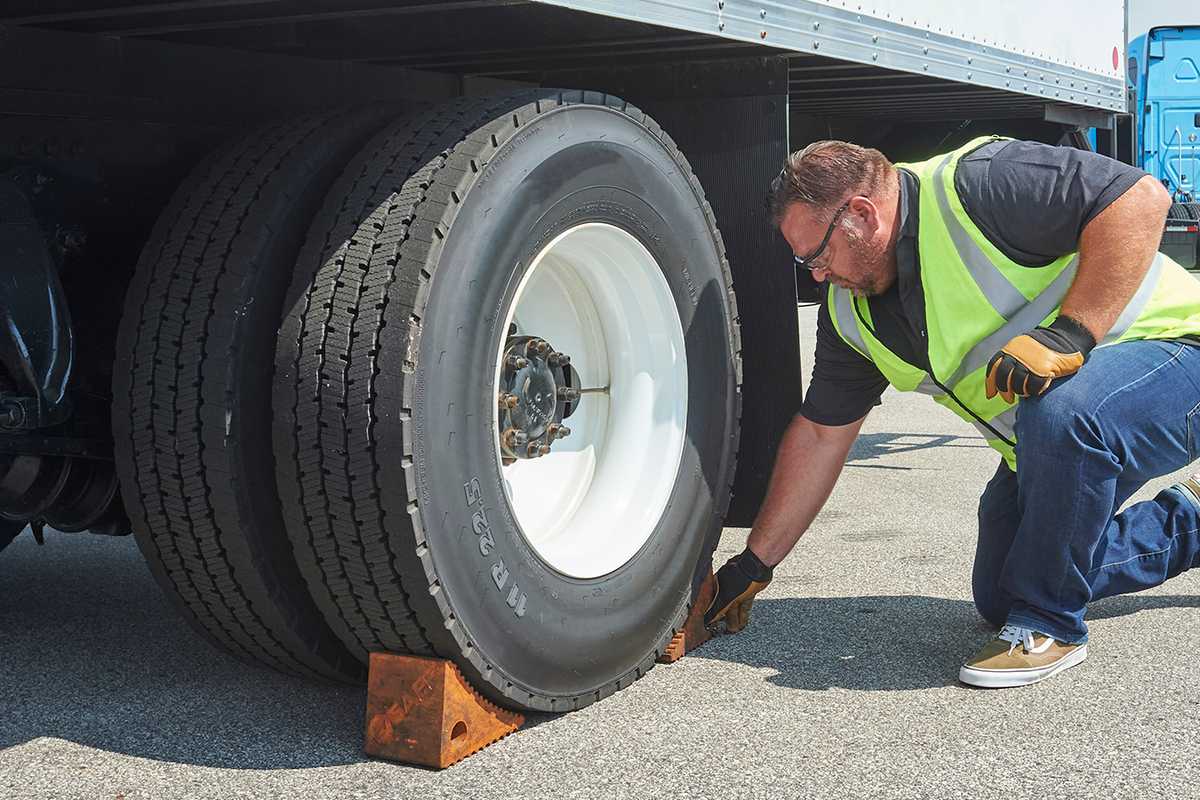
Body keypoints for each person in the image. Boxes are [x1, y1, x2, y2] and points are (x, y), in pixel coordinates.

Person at [705, 135, 1200, 688]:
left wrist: (1071, 332)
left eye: (817, 255)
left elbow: (1140, 197)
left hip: (1178, 354)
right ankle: (1189, 524)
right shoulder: (852, 318)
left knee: (1057, 419)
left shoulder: (978, 184)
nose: (816, 275)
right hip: (1054, 437)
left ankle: (1048, 626)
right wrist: (753, 565)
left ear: (862, 215)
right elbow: (822, 435)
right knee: (1002, 592)